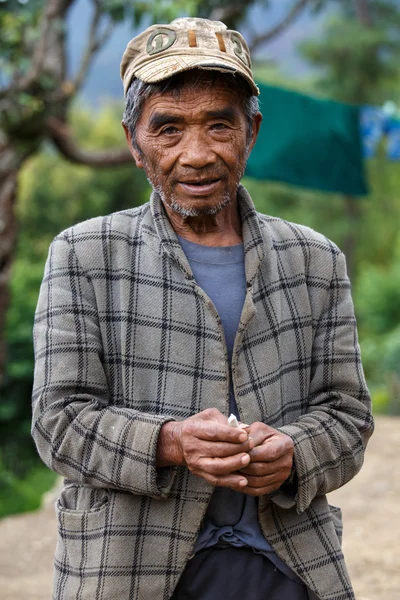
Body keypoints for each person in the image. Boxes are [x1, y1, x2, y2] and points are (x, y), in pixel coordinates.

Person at [32, 17, 374, 600]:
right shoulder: (84, 254)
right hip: (127, 570)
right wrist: (170, 442)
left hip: (286, 567)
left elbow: (347, 415)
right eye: (168, 128)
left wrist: (293, 453)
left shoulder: (315, 259)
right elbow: (58, 421)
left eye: (220, 125)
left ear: (253, 132)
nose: (196, 155)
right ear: (134, 142)